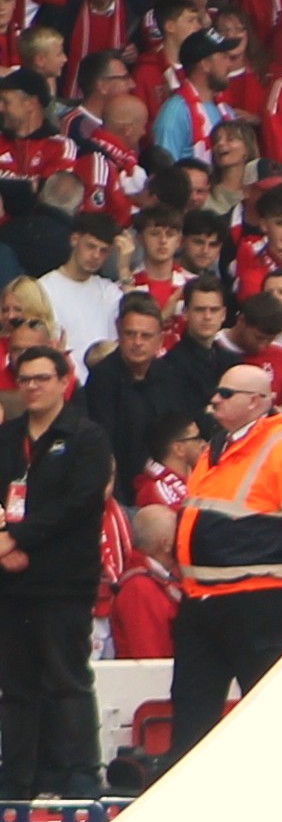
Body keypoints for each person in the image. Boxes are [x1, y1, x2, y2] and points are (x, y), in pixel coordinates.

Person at [171, 357, 282, 754]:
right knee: (191, 716)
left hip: (259, 602)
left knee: (267, 714)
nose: (215, 400)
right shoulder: (217, 448)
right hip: (203, 601)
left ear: (256, 401)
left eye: (226, 394)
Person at [0, 341, 114, 796]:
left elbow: (78, 503)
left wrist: (19, 538)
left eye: (41, 378)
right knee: (16, 685)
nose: (32, 387)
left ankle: (81, 776)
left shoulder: (87, 437)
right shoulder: (7, 436)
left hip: (63, 580)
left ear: (64, 382)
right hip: (10, 582)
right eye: (24, 380)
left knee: (67, 679)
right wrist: (3, 543)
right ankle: (18, 779)